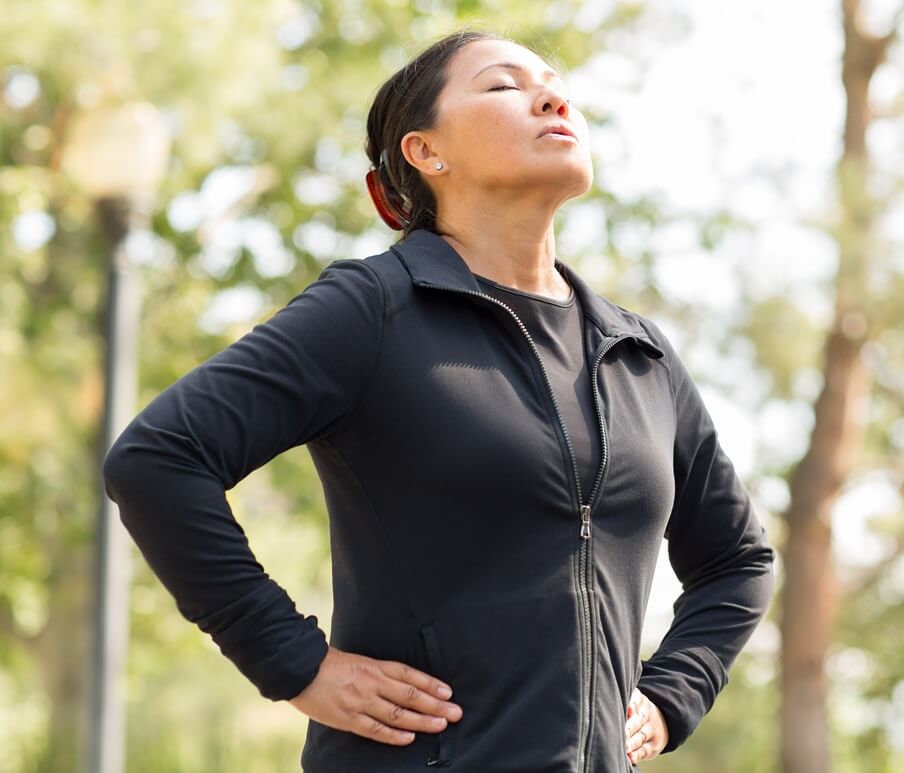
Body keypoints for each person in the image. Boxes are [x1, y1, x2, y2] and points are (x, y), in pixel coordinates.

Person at [103, 28, 775, 772]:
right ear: (425, 152)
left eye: (556, 84)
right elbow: (158, 458)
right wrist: (296, 662)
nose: (554, 97)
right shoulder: (372, 309)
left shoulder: (637, 353)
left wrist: (672, 694)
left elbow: (737, 559)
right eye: (503, 84)